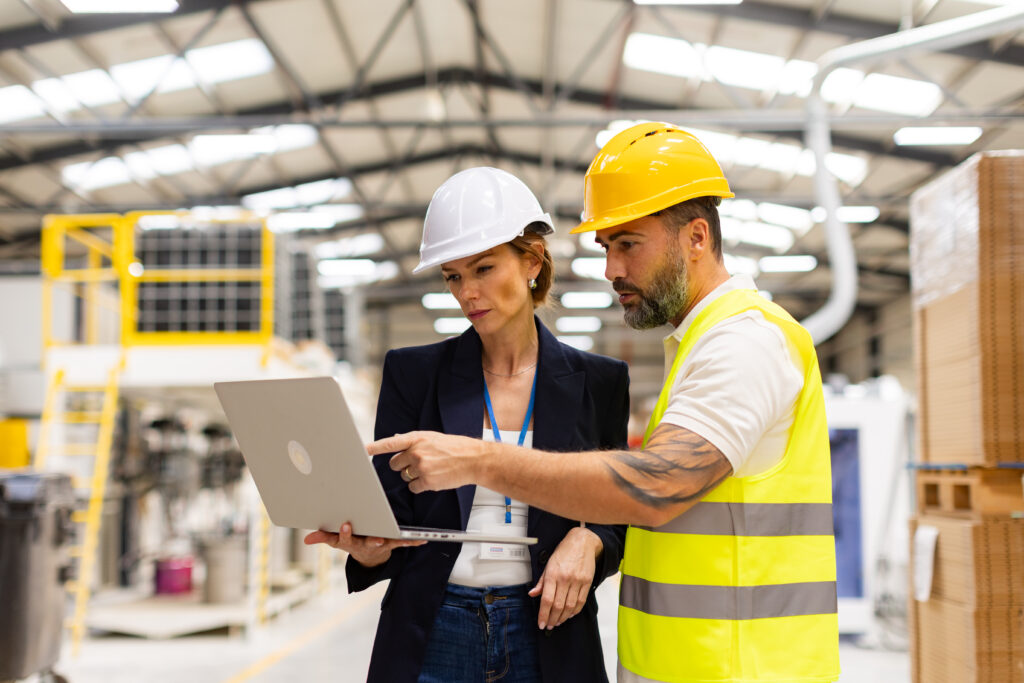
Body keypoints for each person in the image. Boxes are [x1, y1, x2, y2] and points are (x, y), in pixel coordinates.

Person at [367, 123, 841, 683]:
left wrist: (480, 460)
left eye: (628, 245)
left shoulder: (743, 342)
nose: (612, 270)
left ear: (695, 237)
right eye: (607, 248)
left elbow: (654, 484)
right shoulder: (698, 344)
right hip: (695, 659)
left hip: (739, 665)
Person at [306, 166, 629, 683]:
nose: (467, 293)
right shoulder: (413, 374)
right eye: (453, 275)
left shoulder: (599, 381)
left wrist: (589, 540)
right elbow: (390, 508)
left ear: (531, 260)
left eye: (483, 269)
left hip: (547, 627)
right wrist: (369, 551)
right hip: (434, 628)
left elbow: (618, 510)